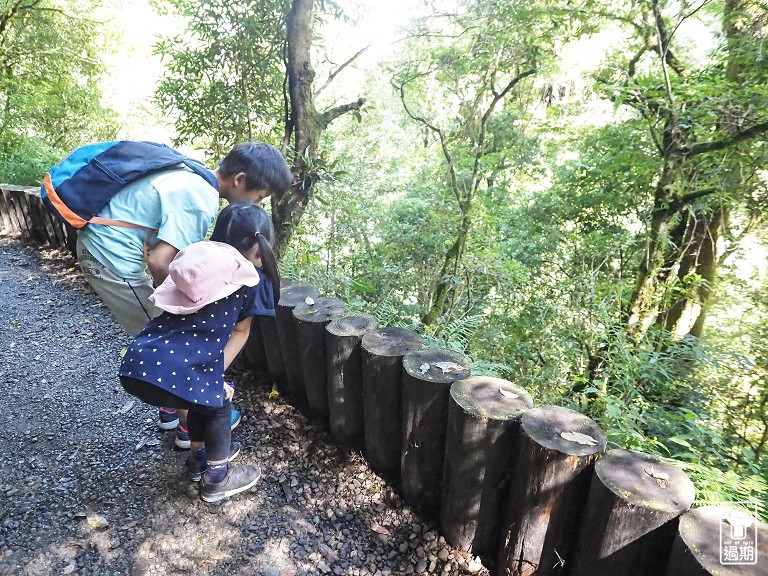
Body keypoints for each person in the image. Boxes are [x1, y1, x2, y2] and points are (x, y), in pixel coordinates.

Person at [75, 142, 292, 448]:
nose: (256, 205)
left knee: (172, 341)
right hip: (114, 259)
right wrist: (190, 304)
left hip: (102, 247)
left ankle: (171, 409)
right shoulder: (200, 199)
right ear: (240, 179)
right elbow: (161, 262)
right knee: (174, 338)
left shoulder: (191, 173)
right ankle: (191, 422)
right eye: (258, 197)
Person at [119, 201, 279, 502]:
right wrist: (213, 375)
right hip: (173, 370)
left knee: (200, 398)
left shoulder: (195, 263)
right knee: (218, 403)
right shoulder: (249, 281)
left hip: (139, 361)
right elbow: (240, 331)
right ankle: (217, 478)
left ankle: (198, 460)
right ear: (259, 247)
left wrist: (207, 377)